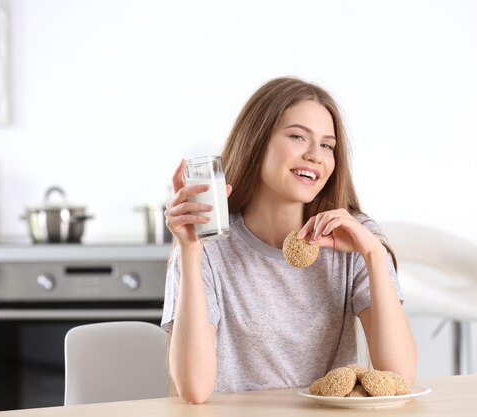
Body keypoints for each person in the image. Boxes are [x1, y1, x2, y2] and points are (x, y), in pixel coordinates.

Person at [161, 77, 417, 404]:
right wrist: (189, 251)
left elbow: (398, 376)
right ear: (257, 142)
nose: (315, 155)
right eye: (298, 137)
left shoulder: (355, 239)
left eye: (327, 145)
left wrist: (373, 254)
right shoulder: (205, 247)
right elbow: (194, 389)